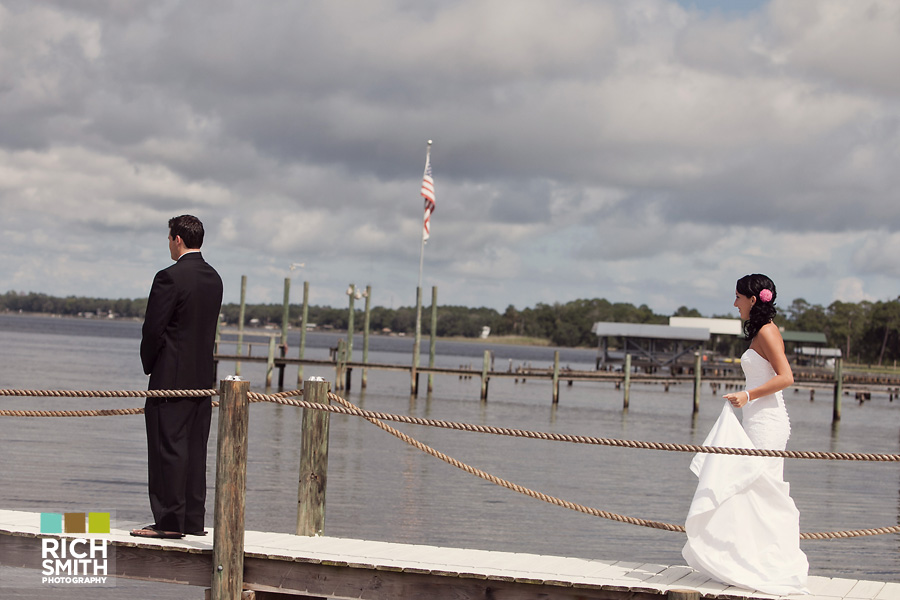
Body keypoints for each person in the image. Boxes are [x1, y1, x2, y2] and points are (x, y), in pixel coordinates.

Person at [682, 274, 809, 595]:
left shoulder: (767, 332)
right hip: (755, 421)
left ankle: (769, 562)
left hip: (767, 422)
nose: (734, 303)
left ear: (753, 300)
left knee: (758, 488)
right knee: (746, 488)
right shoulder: (761, 332)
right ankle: (747, 558)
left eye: (738, 297)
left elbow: (786, 377)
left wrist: (748, 396)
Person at [131, 215, 224, 539]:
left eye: (169, 238)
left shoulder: (168, 277)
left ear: (178, 239)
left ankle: (169, 523)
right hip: (202, 381)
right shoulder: (214, 278)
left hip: (169, 379)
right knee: (194, 449)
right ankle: (192, 520)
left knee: (166, 448)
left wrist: (148, 364)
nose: (169, 244)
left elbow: (154, 329)